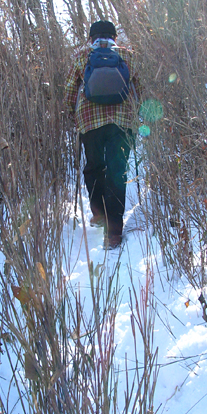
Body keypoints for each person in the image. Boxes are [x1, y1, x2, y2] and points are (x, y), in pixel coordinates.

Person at [64, 20, 140, 249]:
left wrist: (72, 115)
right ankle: (114, 233)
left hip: (90, 121)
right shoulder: (128, 56)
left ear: (91, 37)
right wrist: (137, 117)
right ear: (114, 36)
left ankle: (98, 213)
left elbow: (70, 89)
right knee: (117, 171)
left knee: (94, 166)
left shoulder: (81, 55)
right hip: (123, 121)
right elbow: (137, 89)